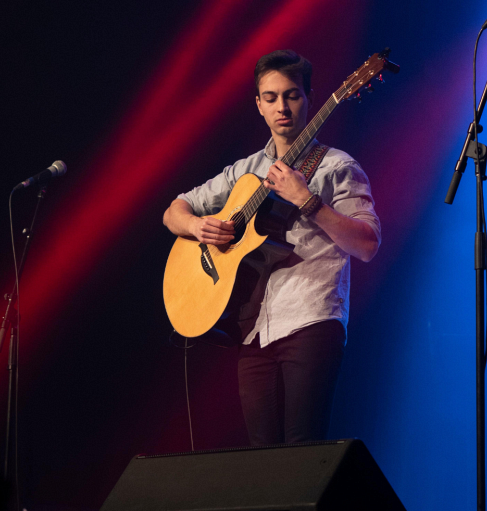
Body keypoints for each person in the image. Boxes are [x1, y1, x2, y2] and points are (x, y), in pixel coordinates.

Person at [162, 50, 380, 445]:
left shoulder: (336, 167)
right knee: (261, 459)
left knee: (301, 450)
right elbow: (174, 210)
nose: (282, 106)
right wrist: (198, 226)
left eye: (292, 95)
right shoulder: (243, 172)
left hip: (310, 319)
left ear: (310, 99)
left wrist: (308, 201)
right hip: (253, 331)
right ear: (258, 105)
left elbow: (367, 244)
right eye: (271, 97)